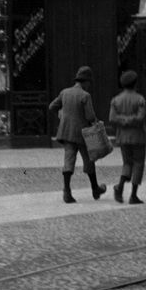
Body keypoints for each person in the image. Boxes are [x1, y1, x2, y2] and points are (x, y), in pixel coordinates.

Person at [48, 65, 103, 204]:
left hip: (66, 133)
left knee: (68, 161)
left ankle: (67, 192)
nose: (89, 86)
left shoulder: (64, 92)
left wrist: (61, 114)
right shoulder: (85, 95)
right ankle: (95, 189)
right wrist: (97, 123)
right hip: (84, 134)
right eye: (89, 83)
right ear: (86, 82)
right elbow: (90, 116)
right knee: (89, 160)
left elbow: (52, 106)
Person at [108, 69, 146, 204]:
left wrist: (122, 120)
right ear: (135, 83)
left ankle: (120, 187)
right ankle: (133, 195)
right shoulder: (140, 99)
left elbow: (112, 118)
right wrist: (131, 120)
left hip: (123, 137)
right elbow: (140, 118)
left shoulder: (116, 100)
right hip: (138, 136)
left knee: (127, 163)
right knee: (138, 163)